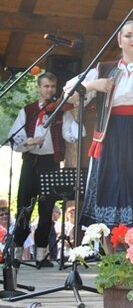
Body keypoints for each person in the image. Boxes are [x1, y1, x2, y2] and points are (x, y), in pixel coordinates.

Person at [65, 20, 133, 230]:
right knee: (112, 191)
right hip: (112, 139)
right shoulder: (103, 70)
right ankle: (112, 258)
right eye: (128, 35)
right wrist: (92, 85)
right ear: (119, 41)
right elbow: (68, 97)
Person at [8, 71, 80, 267]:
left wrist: (74, 112)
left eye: (53, 87)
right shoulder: (28, 110)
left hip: (51, 163)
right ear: (39, 88)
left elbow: (73, 135)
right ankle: (16, 251)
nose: (50, 90)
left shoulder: (61, 111)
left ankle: (41, 254)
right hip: (31, 162)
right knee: (24, 207)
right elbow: (15, 139)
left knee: (47, 209)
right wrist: (29, 142)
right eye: (46, 86)